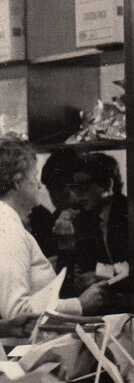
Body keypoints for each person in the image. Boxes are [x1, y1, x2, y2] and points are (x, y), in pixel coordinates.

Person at [0, 136, 108, 320]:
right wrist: (79, 305)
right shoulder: (8, 227)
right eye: (34, 176)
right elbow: (16, 313)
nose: (39, 185)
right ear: (17, 182)